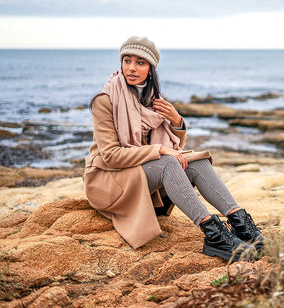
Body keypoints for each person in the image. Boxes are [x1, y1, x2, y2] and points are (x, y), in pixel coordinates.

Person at [84, 36, 264, 261]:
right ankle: (213, 234)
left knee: (196, 160)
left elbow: (174, 147)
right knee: (169, 162)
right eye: (127, 60)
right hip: (109, 179)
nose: (131, 68)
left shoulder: (153, 100)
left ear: (150, 69)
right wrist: (159, 150)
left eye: (140, 63)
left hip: (139, 173)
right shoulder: (105, 101)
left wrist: (177, 122)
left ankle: (242, 225)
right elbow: (111, 156)